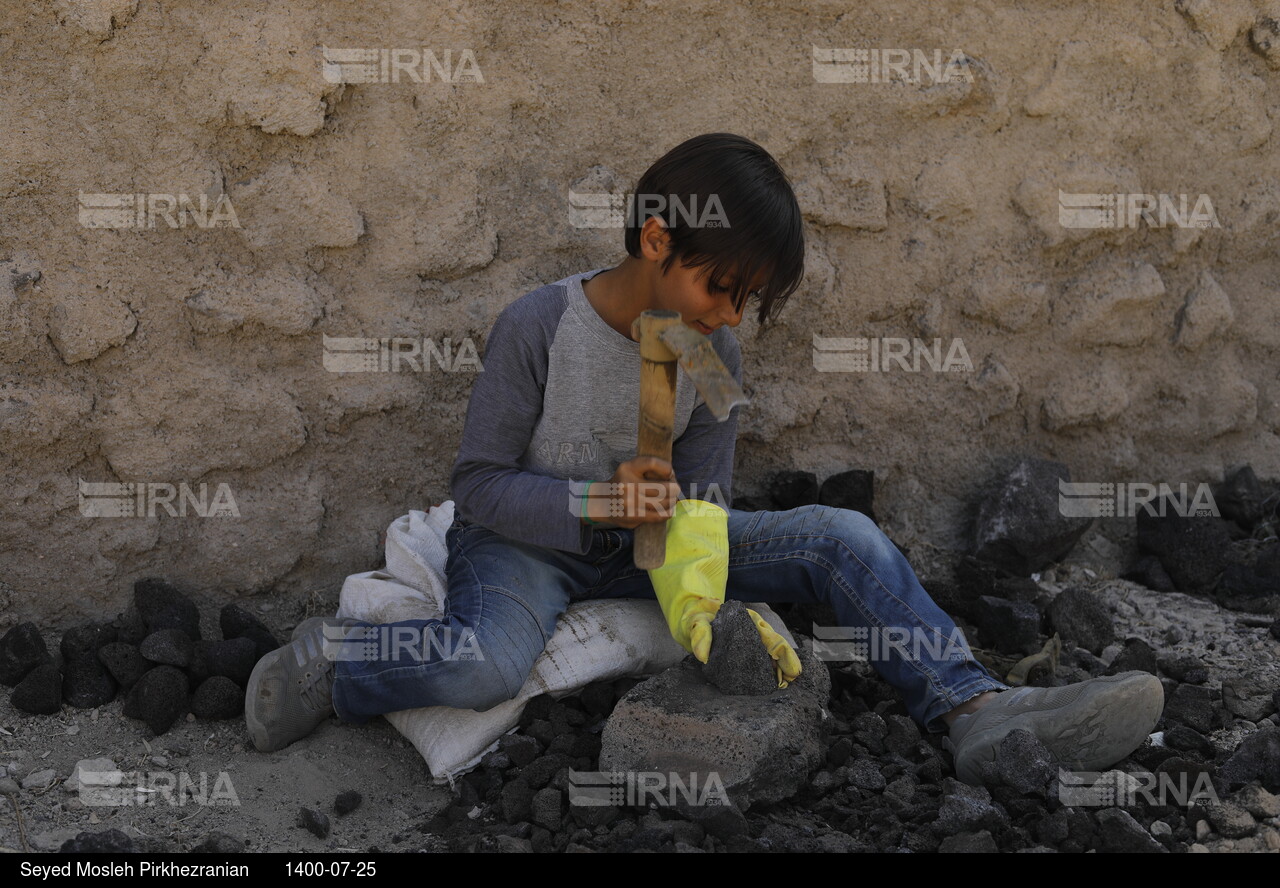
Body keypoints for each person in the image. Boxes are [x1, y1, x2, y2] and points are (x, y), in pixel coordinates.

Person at [245, 133, 1163, 786]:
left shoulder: (712, 354)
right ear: (655, 241)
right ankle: (341, 664)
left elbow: (709, 502)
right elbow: (477, 490)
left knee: (840, 537)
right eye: (720, 287)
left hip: (651, 548)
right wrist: (599, 501)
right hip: (524, 547)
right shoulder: (540, 325)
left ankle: (974, 709)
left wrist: (696, 570)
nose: (730, 316)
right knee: (485, 666)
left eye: (747, 300)